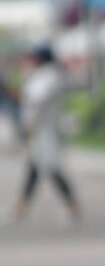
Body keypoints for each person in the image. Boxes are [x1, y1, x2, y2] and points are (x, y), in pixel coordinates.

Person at [6, 46, 80, 225]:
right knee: (35, 170)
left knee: (51, 170)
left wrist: (12, 92)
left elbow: (33, 99)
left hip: (47, 132)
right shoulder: (39, 75)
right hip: (38, 133)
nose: (31, 61)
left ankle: (72, 209)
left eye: (34, 58)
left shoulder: (51, 77)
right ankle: (20, 208)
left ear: (42, 59)